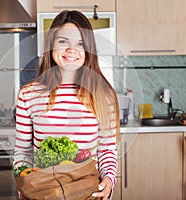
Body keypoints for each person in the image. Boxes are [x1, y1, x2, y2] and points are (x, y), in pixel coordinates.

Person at [13, 10, 120, 200]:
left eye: (80, 43)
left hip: (88, 193)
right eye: (63, 42)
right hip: (43, 193)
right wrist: (23, 182)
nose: (72, 50)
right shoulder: (28, 94)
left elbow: (107, 150)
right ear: (51, 44)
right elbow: (23, 150)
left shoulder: (104, 95)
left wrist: (109, 181)